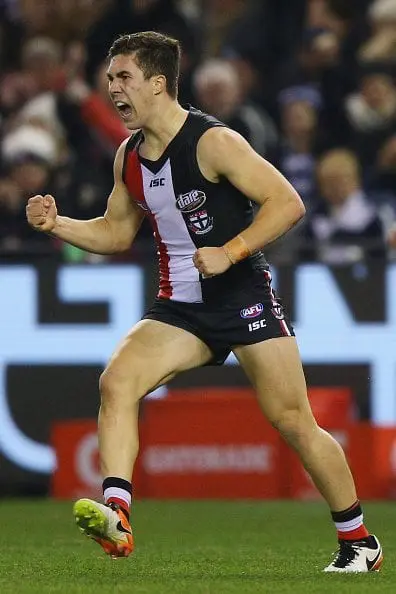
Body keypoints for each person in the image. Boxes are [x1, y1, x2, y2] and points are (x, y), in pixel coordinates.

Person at [26, 31, 383, 573]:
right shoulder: (129, 155)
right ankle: (118, 513)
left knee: (293, 421)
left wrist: (232, 250)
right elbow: (117, 233)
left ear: (157, 82)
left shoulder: (214, 142)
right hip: (180, 309)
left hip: (240, 296)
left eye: (123, 78)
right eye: (109, 79)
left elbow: (287, 203)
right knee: (116, 383)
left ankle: (359, 541)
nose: (112, 89)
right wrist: (60, 225)